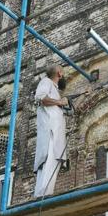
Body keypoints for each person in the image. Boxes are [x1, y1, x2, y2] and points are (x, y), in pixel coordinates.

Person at [33, 64, 69, 198]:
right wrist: (60, 102)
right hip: (50, 132)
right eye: (63, 73)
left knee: (54, 162)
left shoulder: (54, 89)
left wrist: (62, 102)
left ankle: (44, 195)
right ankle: (42, 197)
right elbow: (41, 98)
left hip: (55, 132)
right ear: (59, 73)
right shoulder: (46, 82)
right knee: (49, 160)